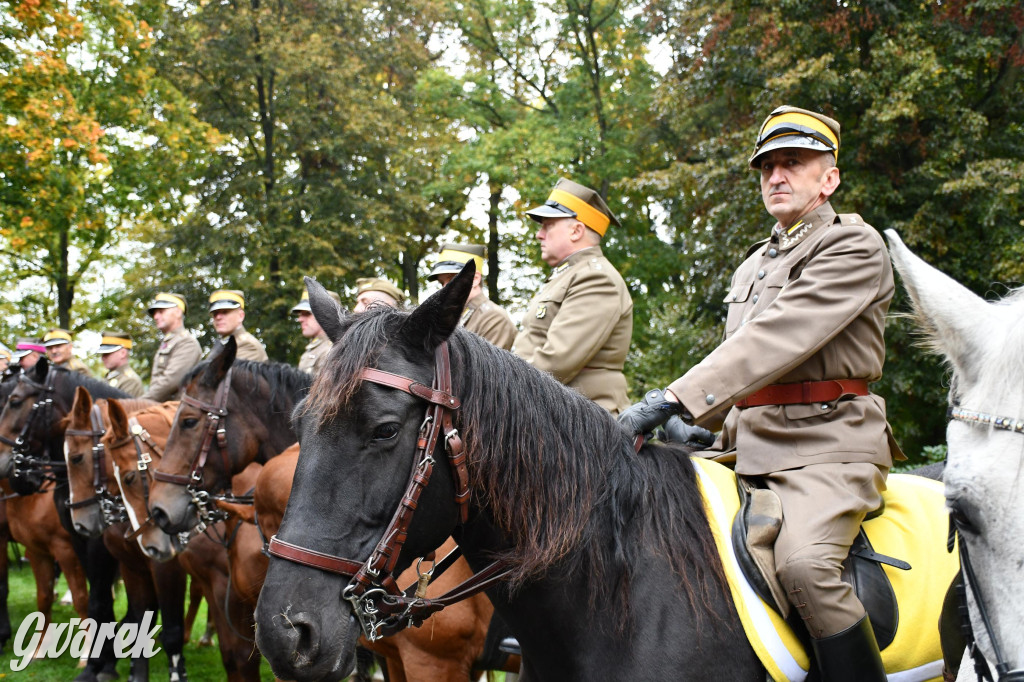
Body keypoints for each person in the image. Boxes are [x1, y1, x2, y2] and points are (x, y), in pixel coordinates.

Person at [619, 106, 902, 682]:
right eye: (768, 166)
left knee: (806, 569)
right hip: (745, 446)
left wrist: (673, 398)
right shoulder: (754, 264)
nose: (776, 175)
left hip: (826, 446)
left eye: (793, 163)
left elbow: (779, 338)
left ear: (829, 178)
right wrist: (701, 422)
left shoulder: (854, 245)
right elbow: (742, 361)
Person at [512, 178, 633, 415]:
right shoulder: (568, 275)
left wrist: (498, 389)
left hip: (585, 421)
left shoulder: (596, 278)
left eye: (548, 226)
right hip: (557, 416)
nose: (539, 235)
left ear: (576, 231)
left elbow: (557, 362)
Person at [427, 243, 517, 350]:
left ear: (475, 279)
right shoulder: (454, 317)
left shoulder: (494, 319)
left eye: (451, 280)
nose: (444, 288)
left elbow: (486, 361)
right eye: (442, 283)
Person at [142, 292, 202, 402]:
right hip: (160, 406)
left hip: (176, 408)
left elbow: (170, 382)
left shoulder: (187, 343)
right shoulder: (170, 342)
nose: (156, 317)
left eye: (161, 311)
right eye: (155, 313)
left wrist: (141, 402)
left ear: (178, 312)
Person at [292, 285, 342, 374]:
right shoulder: (314, 348)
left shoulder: (332, 350)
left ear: (327, 314)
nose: (300, 319)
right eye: (300, 314)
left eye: (307, 314)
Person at [208, 289, 268, 362]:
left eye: (225, 312)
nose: (218, 317)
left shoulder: (247, 345)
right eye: (215, 313)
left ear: (241, 316)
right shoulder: (222, 344)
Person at [94, 331, 144, 397]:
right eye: (103, 354)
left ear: (123, 353)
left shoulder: (130, 381)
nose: (103, 358)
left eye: (107, 354)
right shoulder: (111, 376)